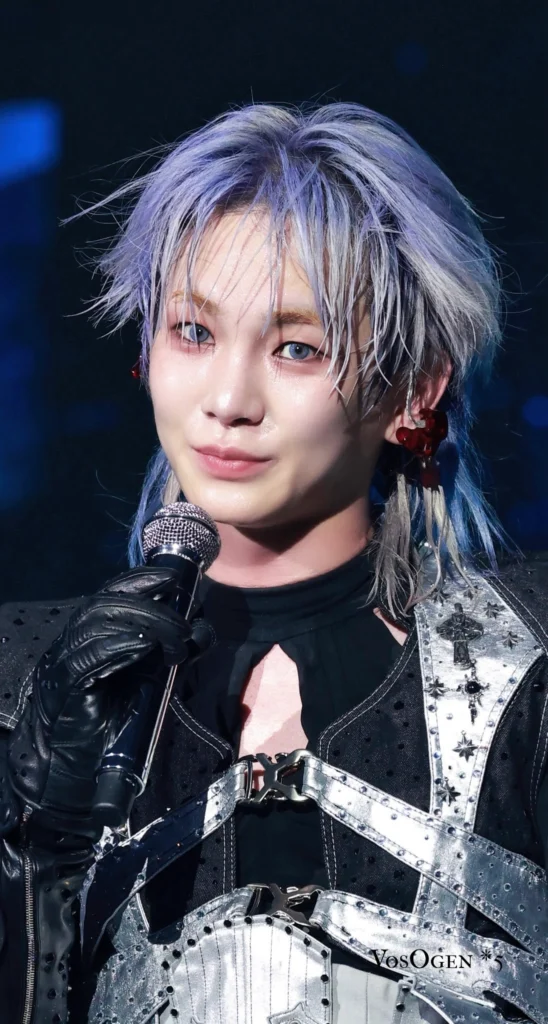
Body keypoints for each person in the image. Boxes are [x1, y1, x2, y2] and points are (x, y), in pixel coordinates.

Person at [0, 101, 546, 1024]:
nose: (227, 398)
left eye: (297, 347)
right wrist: (39, 854)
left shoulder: (523, 673)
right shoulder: (26, 686)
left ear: (414, 394)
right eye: (194, 332)